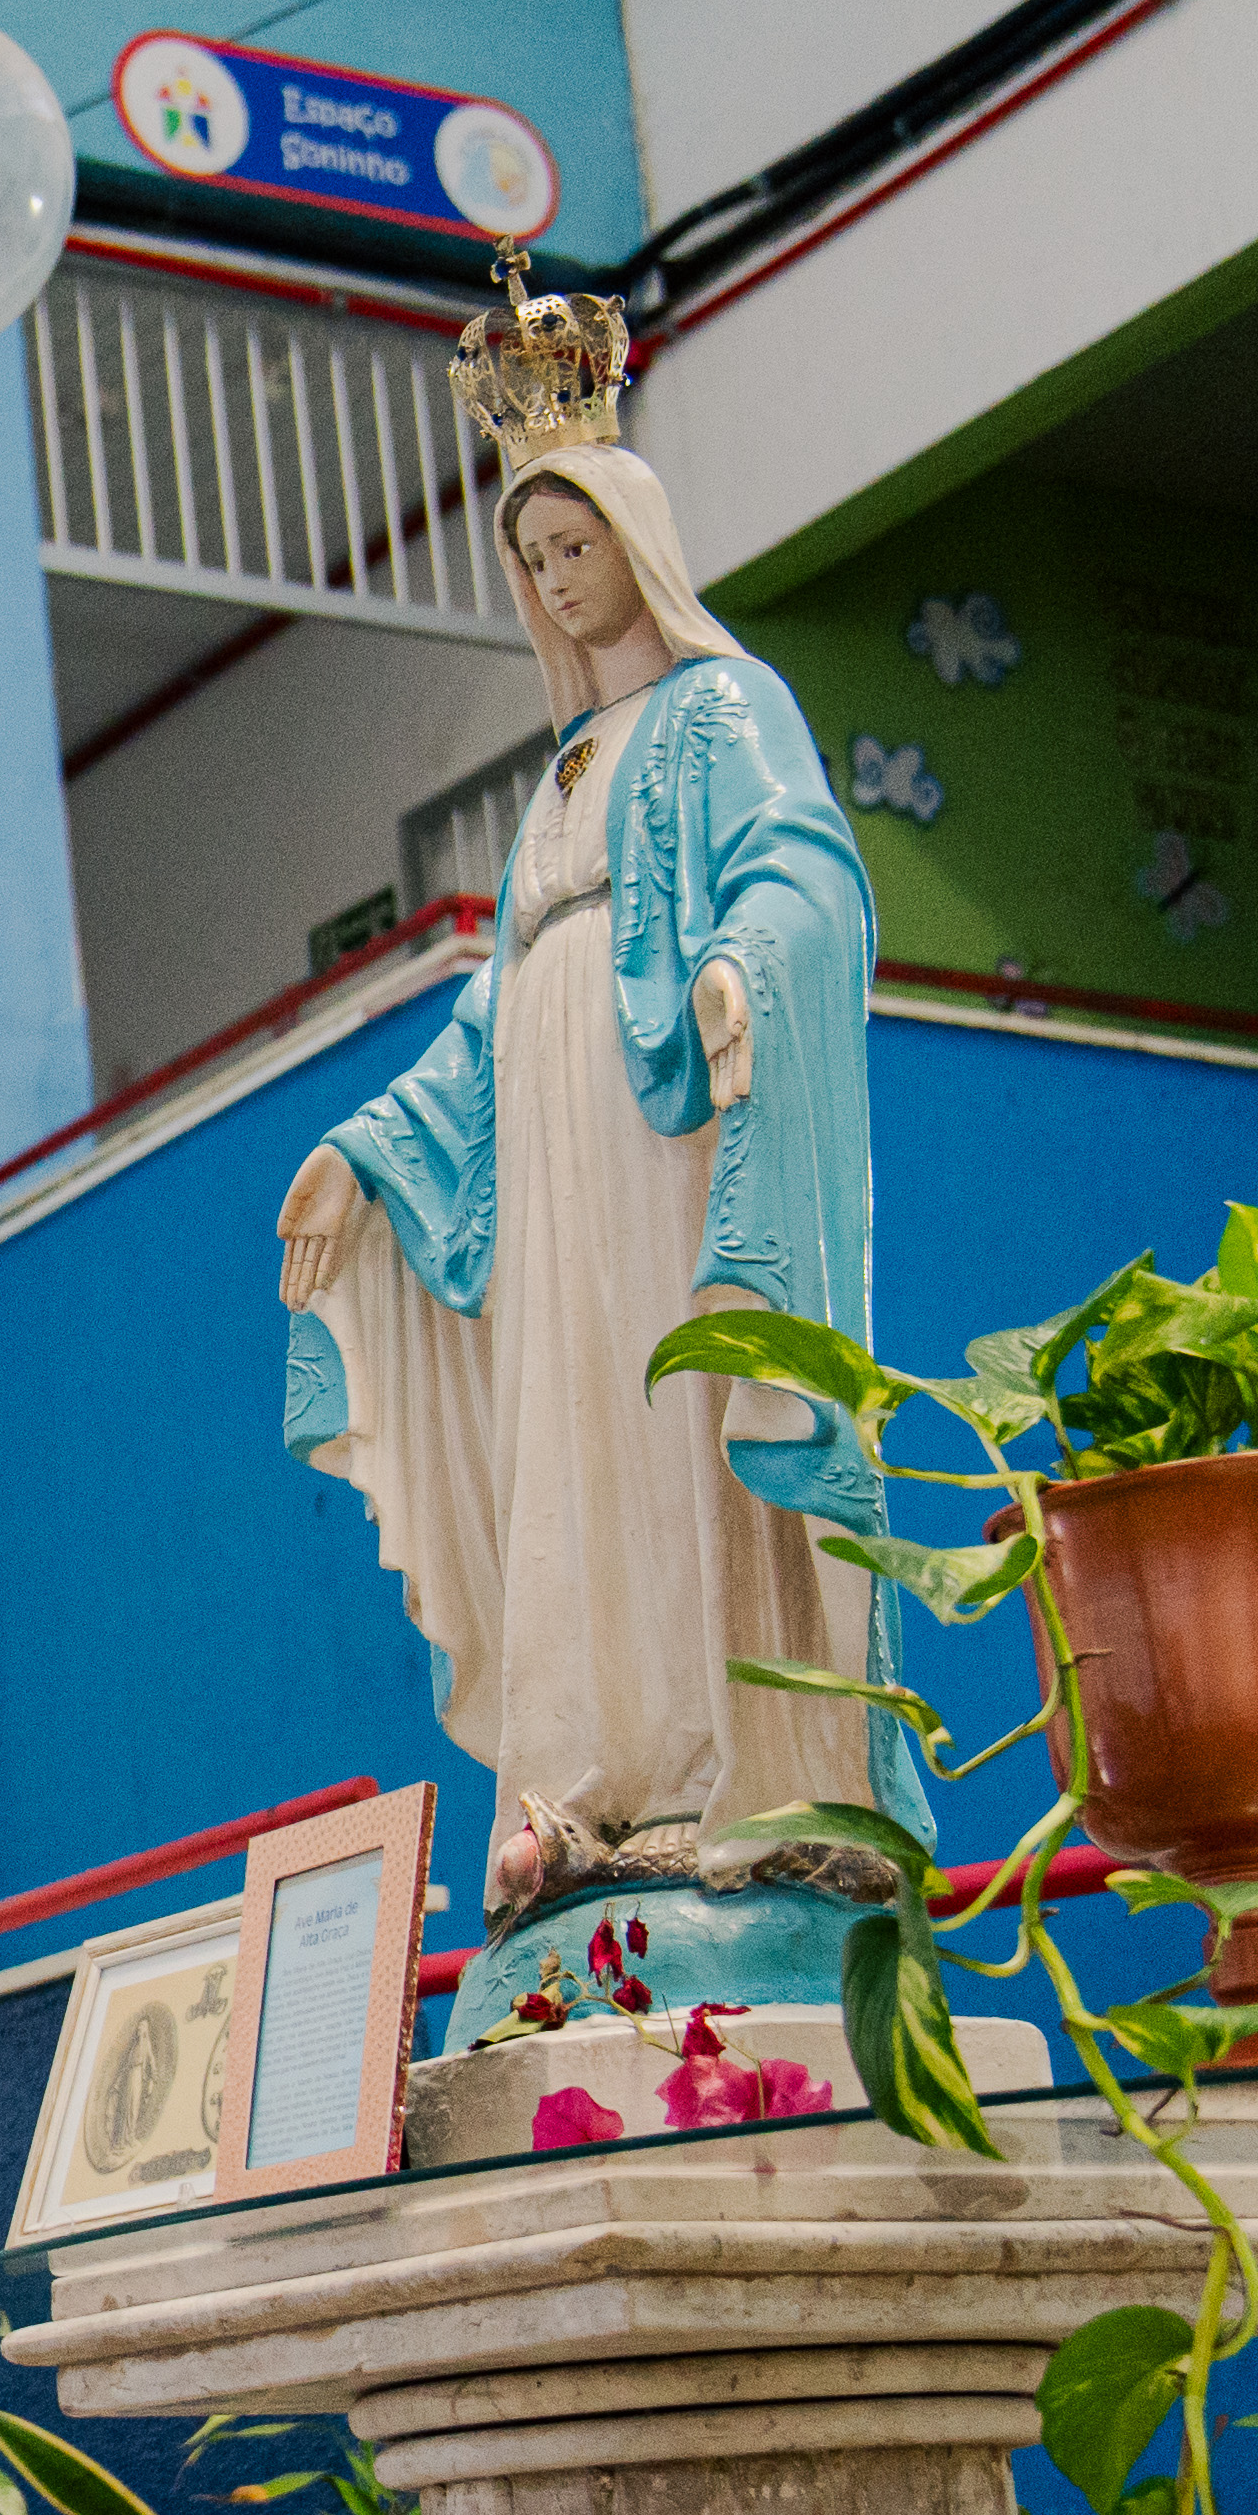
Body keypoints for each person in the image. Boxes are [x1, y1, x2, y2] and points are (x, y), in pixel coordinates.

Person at [273, 356, 920, 1934]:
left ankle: (735, 1763)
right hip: (555, 1149)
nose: (560, 585)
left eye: (579, 550)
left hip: (672, 1124)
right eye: (535, 564)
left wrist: (741, 971)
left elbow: (806, 876)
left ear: (638, 548)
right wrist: (370, 1149)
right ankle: (601, 1779)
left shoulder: (723, 706)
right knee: (573, 1436)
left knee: (683, 1413)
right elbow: (496, 1009)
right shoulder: (558, 777)